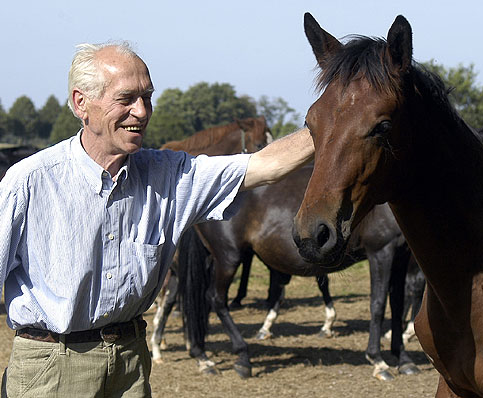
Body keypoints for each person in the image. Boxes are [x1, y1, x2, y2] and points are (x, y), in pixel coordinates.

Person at [0, 41, 314, 397]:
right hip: (50, 365)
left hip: (130, 362)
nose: (142, 111)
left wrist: (336, 118)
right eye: (127, 98)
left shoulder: (170, 175)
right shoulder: (30, 181)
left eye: (147, 97)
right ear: (81, 102)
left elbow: (265, 165)